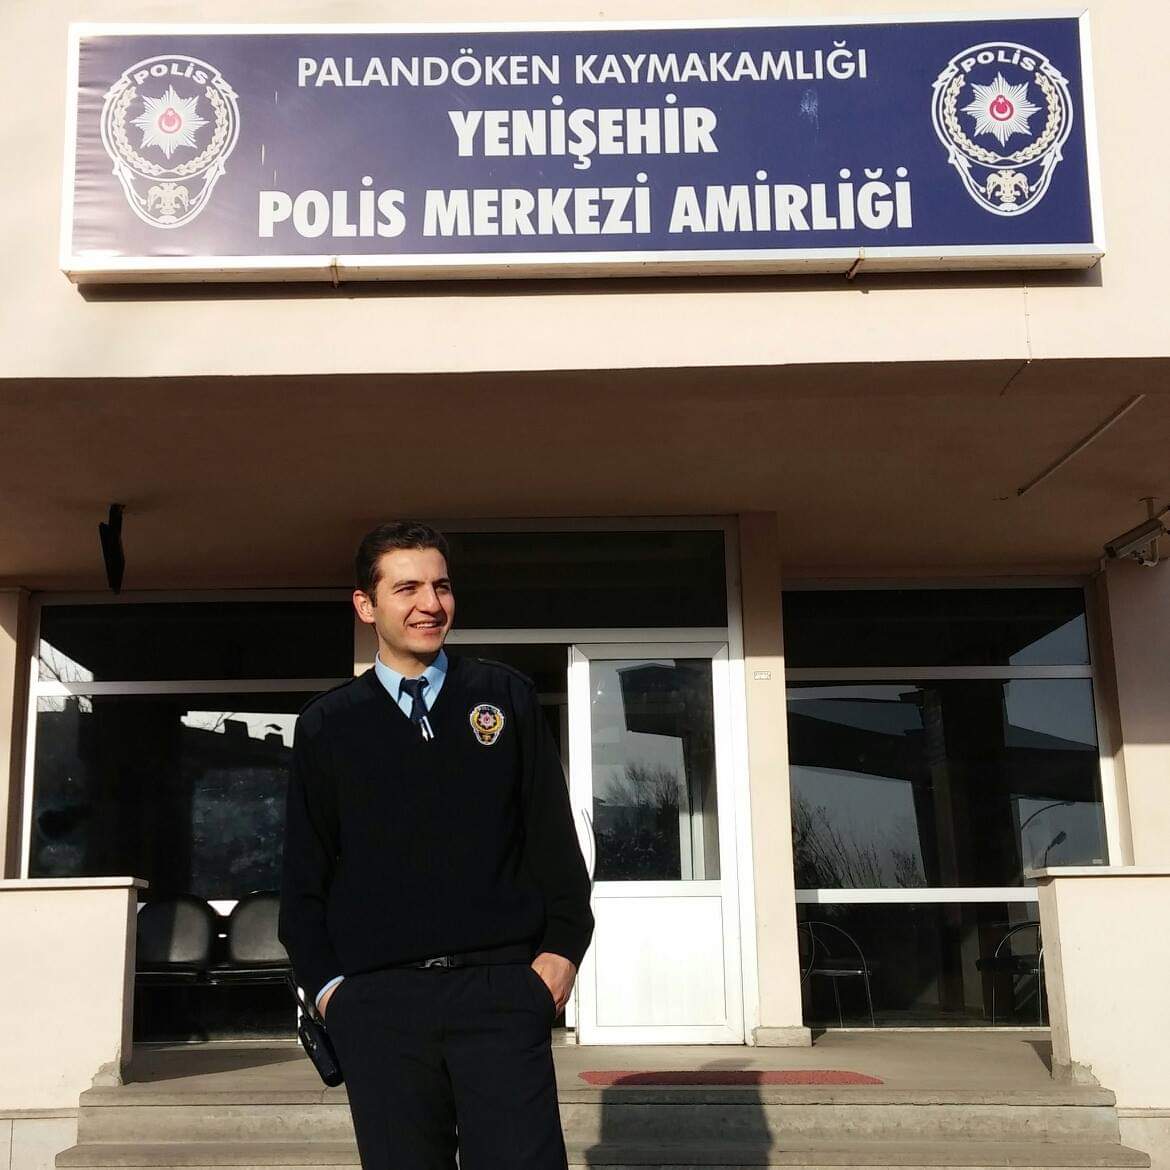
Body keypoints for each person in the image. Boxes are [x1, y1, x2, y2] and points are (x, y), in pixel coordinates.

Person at [277, 520, 593, 1170]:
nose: (430, 603)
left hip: (502, 996)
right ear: (366, 605)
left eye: (441, 586)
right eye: (408, 587)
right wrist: (334, 991)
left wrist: (559, 956)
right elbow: (303, 882)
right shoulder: (328, 727)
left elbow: (554, 847)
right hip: (381, 1008)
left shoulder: (503, 698)